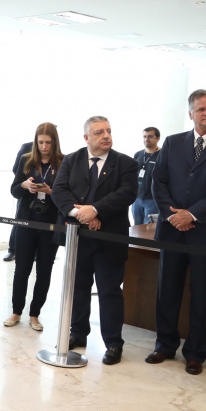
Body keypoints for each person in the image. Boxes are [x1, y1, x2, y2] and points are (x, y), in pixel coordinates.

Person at [148, 89, 206, 375]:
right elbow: (158, 182)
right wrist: (173, 215)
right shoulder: (172, 142)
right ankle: (164, 345)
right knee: (167, 291)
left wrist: (193, 214)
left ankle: (196, 353)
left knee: (203, 294)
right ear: (191, 113)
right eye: (201, 109)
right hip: (172, 229)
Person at [51, 116, 138, 366]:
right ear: (86, 137)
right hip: (78, 237)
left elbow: (127, 193)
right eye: (99, 132)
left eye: (108, 131)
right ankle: (78, 333)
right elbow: (59, 190)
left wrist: (96, 210)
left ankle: (113, 343)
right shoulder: (71, 159)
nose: (106, 136)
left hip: (110, 238)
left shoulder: (126, 163)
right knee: (78, 288)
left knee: (109, 291)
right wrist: (80, 214)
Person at [4, 123, 64, 331]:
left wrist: (50, 192)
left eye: (48, 143)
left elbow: (67, 196)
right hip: (26, 221)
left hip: (50, 225)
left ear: (54, 142)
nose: (44, 147)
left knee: (44, 270)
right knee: (21, 269)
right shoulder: (26, 160)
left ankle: (35, 314)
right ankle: (16, 311)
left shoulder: (63, 162)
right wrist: (24, 185)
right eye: (40, 143)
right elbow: (14, 190)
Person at [4, 140, 34, 262]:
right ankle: (12, 250)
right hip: (25, 191)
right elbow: (16, 168)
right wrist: (25, 181)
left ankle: (34, 252)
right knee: (20, 221)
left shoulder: (54, 148)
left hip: (43, 195)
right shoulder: (27, 147)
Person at [131, 127, 161, 225]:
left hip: (152, 199)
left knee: (148, 228)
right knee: (136, 227)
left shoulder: (162, 155)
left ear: (158, 138)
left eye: (150, 136)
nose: (146, 139)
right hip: (137, 198)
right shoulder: (138, 154)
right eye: (144, 136)